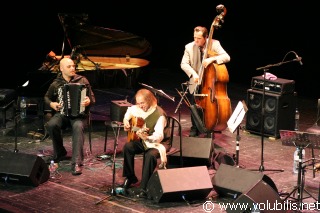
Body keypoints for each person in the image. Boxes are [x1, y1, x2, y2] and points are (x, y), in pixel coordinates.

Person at [44, 57, 96, 175]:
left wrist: (88, 101)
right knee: (51, 125)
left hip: (79, 116)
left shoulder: (82, 80)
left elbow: (93, 99)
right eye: (69, 66)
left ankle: (76, 163)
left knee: (77, 126)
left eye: (73, 66)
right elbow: (46, 97)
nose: (73, 68)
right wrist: (52, 104)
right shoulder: (56, 83)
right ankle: (60, 152)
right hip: (63, 114)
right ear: (61, 69)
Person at [181, 26, 230, 137]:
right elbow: (183, 64)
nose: (196, 40)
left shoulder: (215, 44)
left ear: (206, 37)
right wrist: (193, 74)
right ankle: (194, 127)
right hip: (196, 79)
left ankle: (210, 125)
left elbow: (227, 57)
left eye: (198, 38)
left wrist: (211, 59)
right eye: (194, 37)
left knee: (209, 105)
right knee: (194, 103)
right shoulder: (189, 47)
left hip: (209, 81)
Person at [121, 88, 170, 198]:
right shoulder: (138, 108)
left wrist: (147, 137)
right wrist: (125, 121)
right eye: (138, 103)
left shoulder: (159, 115)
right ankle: (130, 177)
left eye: (142, 103)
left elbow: (159, 136)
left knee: (150, 155)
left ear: (149, 100)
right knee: (128, 147)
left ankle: (143, 187)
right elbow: (129, 111)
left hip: (159, 143)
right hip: (144, 141)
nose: (140, 106)